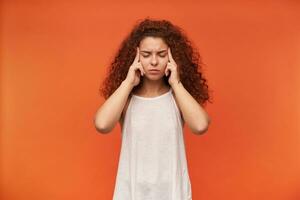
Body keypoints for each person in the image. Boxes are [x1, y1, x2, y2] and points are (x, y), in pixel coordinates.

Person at [94, 18, 212, 200]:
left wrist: (176, 83)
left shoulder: (177, 96)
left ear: (173, 57)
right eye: (147, 54)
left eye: (162, 54)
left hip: (172, 193)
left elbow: (200, 125)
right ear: (136, 56)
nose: (154, 61)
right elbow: (102, 124)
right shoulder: (126, 98)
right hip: (132, 193)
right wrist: (128, 82)